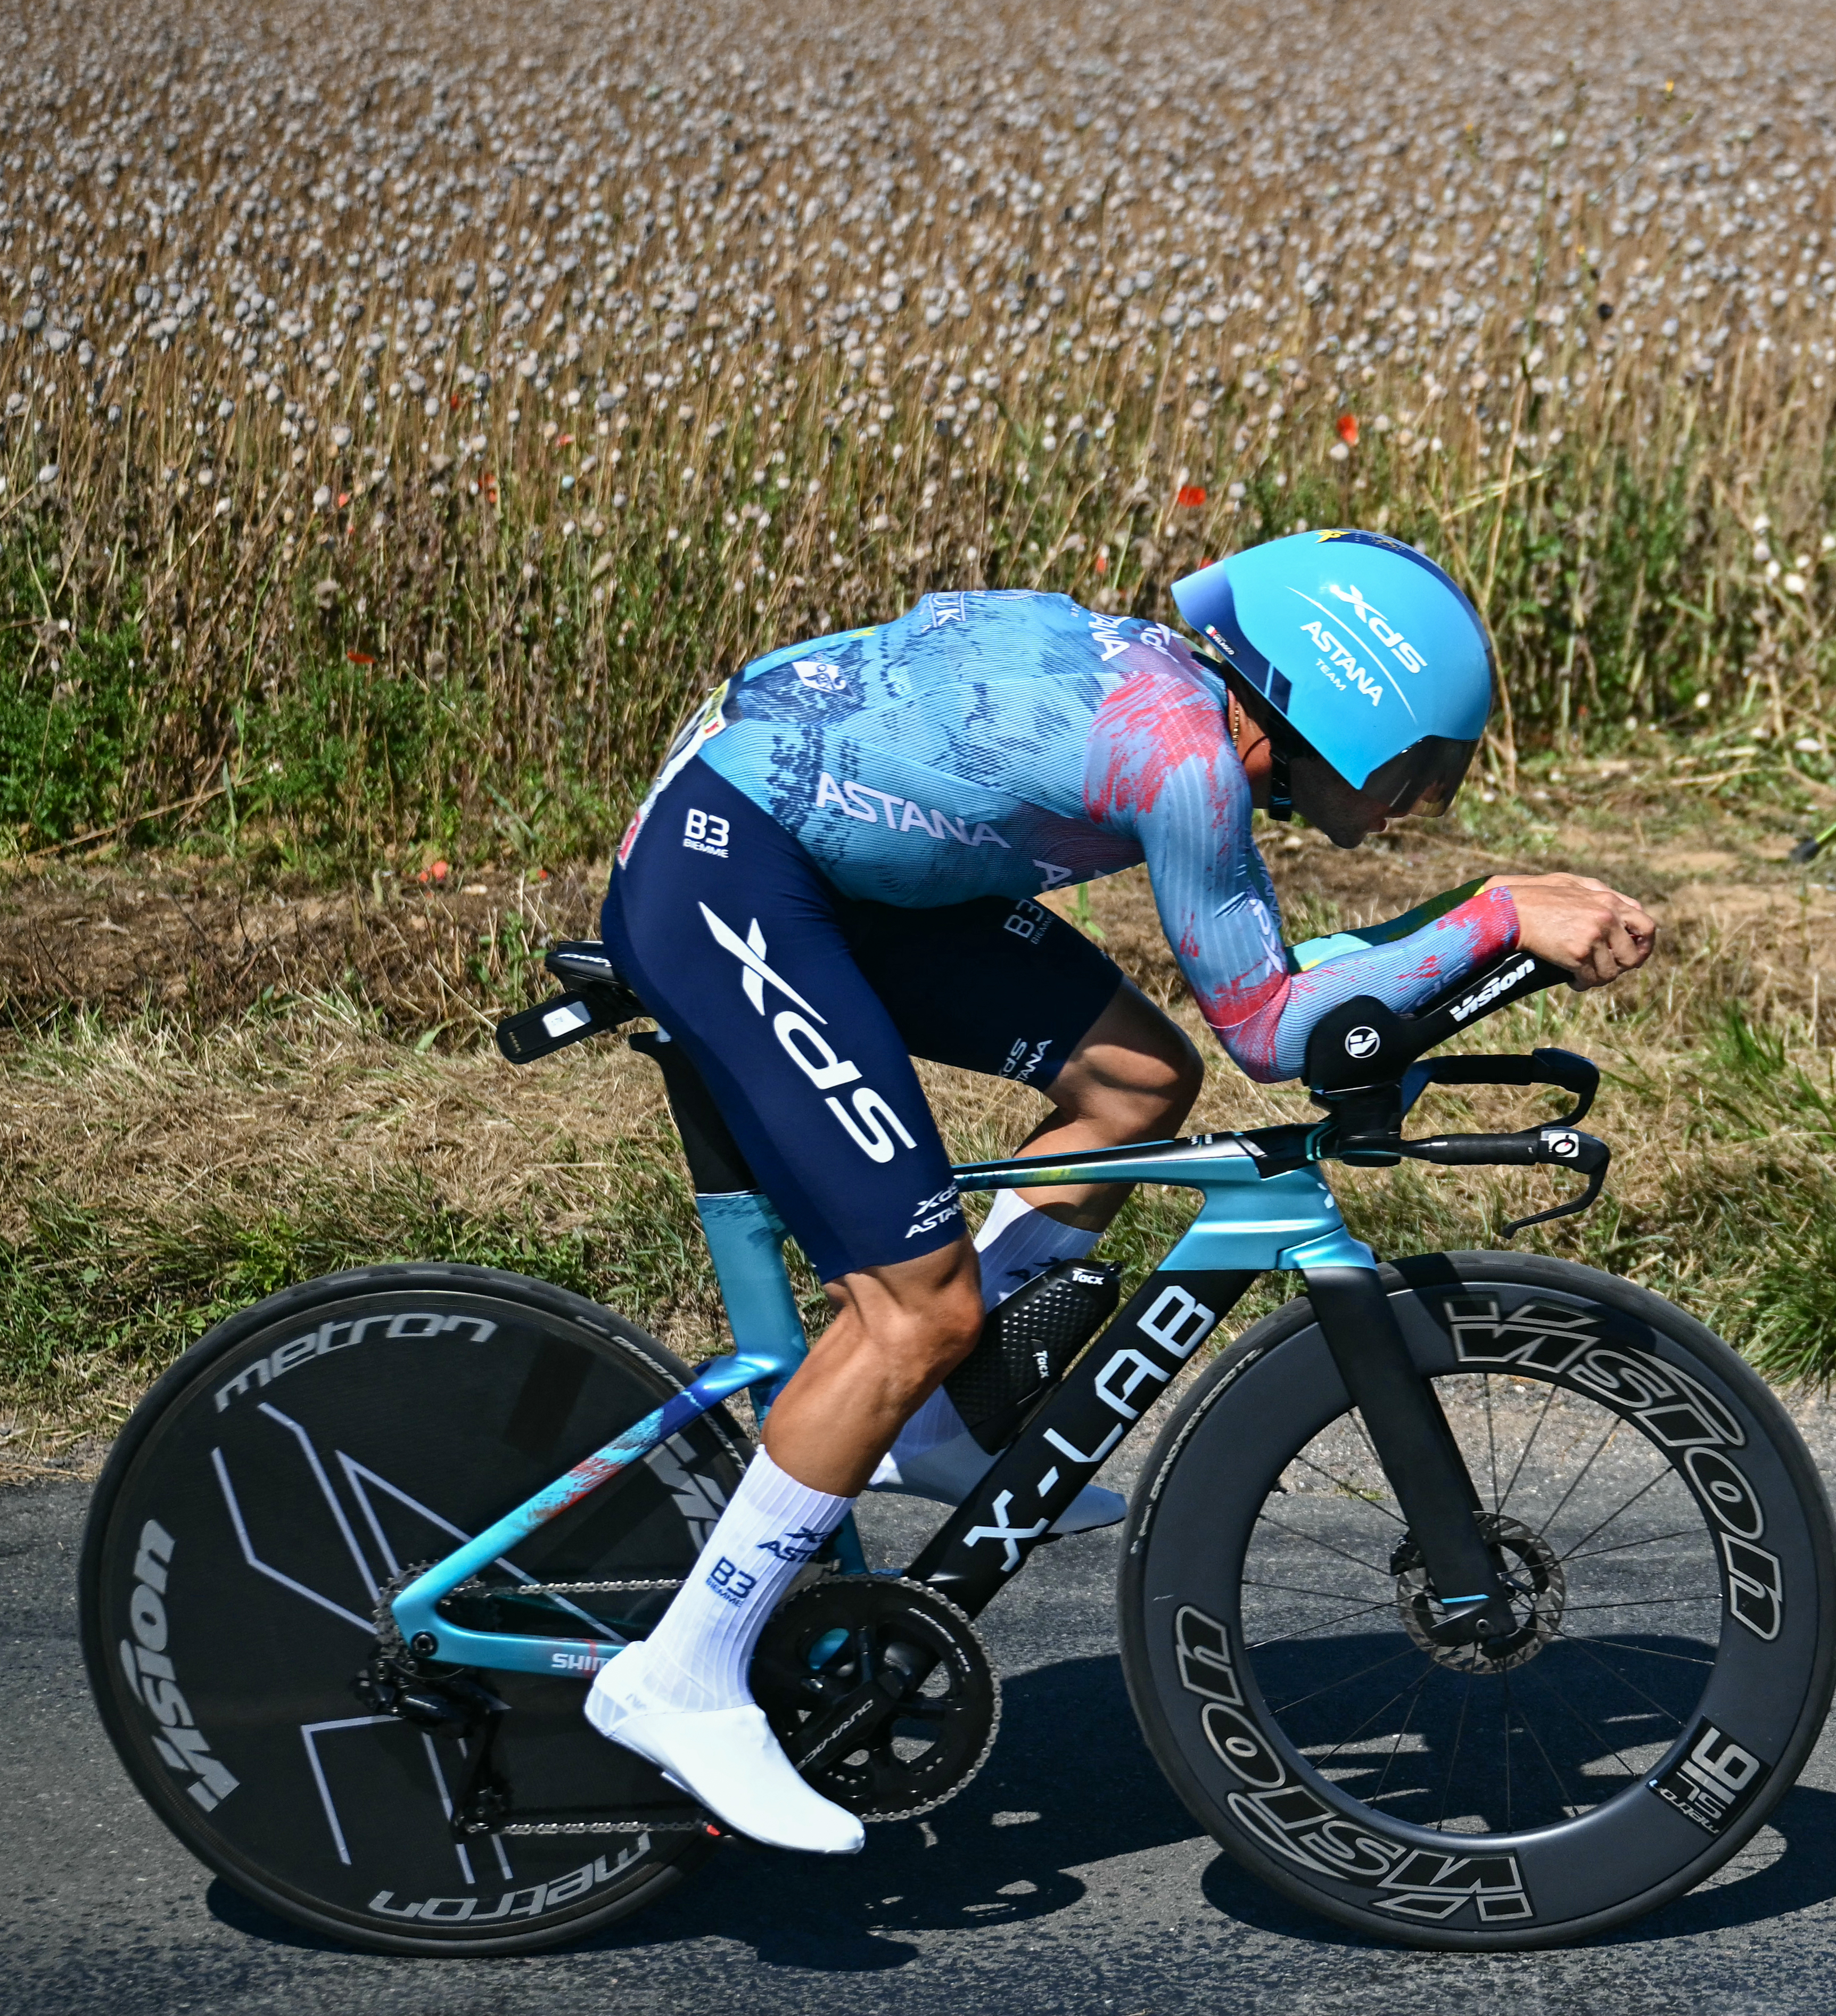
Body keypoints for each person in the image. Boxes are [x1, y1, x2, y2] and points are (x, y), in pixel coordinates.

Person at [580, 531, 1660, 1853]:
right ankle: (680, 1672)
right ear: (1345, 713)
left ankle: (940, 1433)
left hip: (831, 858)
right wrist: (1491, 922)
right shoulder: (1185, 760)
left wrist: (1475, 911)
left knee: (1136, 1080)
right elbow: (1273, 1030)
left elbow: (1261, 981)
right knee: (909, 1313)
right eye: (1420, 772)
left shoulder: (1178, 701)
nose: (1417, 805)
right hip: (735, 871)